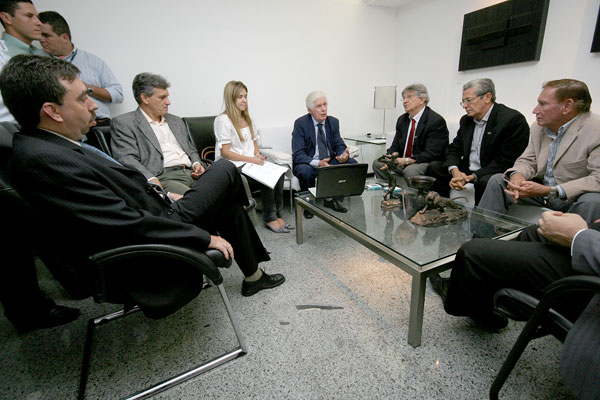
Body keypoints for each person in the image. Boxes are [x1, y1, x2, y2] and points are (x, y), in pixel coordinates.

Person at [1, 55, 285, 330]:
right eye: (82, 98)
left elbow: (114, 200)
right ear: (52, 111)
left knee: (227, 199)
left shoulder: (51, 147)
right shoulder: (45, 160)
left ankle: (254, 276)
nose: (93, 105)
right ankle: (255, 246)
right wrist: (204, 237)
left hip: (160, 205)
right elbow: (123, 221)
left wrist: (167, 195)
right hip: (155, 233)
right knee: (225, 169)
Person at [431, 211, 600, 331]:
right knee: (532, 232)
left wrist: (579, 236)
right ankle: (495, 299)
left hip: (592, 284)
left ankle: (472, 308)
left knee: (470, 252)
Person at [478, 79, 600, 223]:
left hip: (573, 196)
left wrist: (551, 190)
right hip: (543, 192)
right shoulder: (539, 127)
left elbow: (597, 178)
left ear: (567, 106)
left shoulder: (596, 129)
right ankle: (482, 232)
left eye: (543, 104)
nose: (535, 110)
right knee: (497, 181)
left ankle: (577, 237)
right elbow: (527, 161)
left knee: (593, 200)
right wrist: (517, 176)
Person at [425, 78, 529, 204]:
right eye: (463, 102)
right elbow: (454, 148)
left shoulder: (511, 120)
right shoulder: (466, 120)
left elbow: (507, 160)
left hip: (491, 170)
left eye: (468, 100)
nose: (464, 106)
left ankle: (479, 217)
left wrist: (473, 177)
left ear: (487, 97)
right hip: (468, 169)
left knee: (485, 181)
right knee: (434, 167)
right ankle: (440, 207)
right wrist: (455, 171)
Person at [111, 73, 206, 198]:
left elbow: (190, 149)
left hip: (193, 173)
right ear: (145, 98)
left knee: (226, 174)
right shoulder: (125, 123)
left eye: (167, 97)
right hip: (164, 178)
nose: (168, 102)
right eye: (162, 98)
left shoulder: (176, 121)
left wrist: (196, 163)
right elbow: (126, 158)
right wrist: (151, 178)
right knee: (200, 200)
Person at [214, 81, 291, 233]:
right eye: (240, 97)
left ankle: (278, 215)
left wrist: (257, 154)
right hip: (233, 165)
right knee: (267, 178)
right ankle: (270, 218)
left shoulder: (247, 118)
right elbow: (225, 152)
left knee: (279, 172)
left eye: (246, 96)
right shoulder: (222, 120)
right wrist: (252, 160)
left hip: (250, 162)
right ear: (230, 99)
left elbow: (254, 142)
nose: (244, 100)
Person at [38, 11, 123, 126]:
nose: (41, 40)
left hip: (98, 125)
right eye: (40, 35)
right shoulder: (37, 63)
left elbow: (117, 94)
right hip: (60, 127)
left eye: (46, 35)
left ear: (64, 37)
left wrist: (86, 88)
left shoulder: (93, 61)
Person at [292, 90, 357, 218]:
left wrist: (343, 156)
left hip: (328, 160)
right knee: (305, 172)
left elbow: (339, 144)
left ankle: (332, 199)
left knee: (351, 163)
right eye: (319, 106)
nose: (324, 109)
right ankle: (309, 204)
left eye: (325, 104)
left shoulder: (333, 122)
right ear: (310, 110)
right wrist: (318, 163)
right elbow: (298, 154)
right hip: (309, 162)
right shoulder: (301, 124)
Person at [373, 83, 448, 185]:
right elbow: (395, 145)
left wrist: (407, 160)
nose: (405, 101)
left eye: (409, 97)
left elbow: (432, 153)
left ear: (422, 100)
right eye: (403, 98)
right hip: (403, 161)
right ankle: (392, 190)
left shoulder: (435, 121)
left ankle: (411, 194)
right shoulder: (402, 119)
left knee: (411, 171)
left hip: (423, 162)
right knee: (378, 163)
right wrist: (389, 158)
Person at [0, 0, 43, 122]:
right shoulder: (2, 56)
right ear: (7, 18)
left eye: (37, 17)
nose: (39, 23)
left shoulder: (43, 55)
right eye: (29, 16)